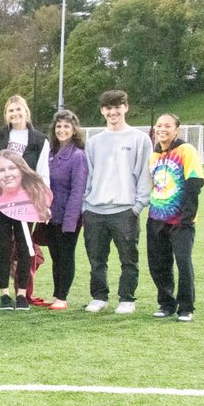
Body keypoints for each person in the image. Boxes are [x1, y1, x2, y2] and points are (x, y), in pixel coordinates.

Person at [82, 90, 152, 314]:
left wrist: (138, 206)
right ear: (102, 111)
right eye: (108, 108)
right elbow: (88, 175)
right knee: (96, 259)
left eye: (117, 107)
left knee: (128, 259)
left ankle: (127, 298)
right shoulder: (94, 142)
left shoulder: (139, 139)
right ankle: (99, 297)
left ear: (126, 107)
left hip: (125, 210)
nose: (113, 112)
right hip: (95, 210)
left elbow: (144, 174)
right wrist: (86, 204)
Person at [0, 95, 50, 309]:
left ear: (26, 111)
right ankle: (4, 294)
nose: (15, 114)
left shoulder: (39, 139)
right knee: (3, 247)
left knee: (26, 247)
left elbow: (43, 173)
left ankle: (22, 294)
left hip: (26, 202)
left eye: (18, 110)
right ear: (6, 114)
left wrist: (44, 201)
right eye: (11, 111)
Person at [146, 113, 204, 321]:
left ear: (176, 130)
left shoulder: (186, 150)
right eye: (159, 125)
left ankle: (186, 307)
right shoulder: (154, 155)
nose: (162, 129)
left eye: (167, 126)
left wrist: (187, 218)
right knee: (158, 264)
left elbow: (195, 182)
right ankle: (166, 303)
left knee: (182, 262)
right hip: (156, 218)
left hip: (181, 221)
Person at [43, 110, 88, 310]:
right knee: (55, 256)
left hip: (68, 216)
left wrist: (70, 219)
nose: (62, 130)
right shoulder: (50, 153)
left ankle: (62, 296)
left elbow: (78, 190)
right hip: (50, 215)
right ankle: (56, 295)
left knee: (65, 255)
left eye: (66, 126)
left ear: (74, 130)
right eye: (59, 126)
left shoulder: (78, 156)